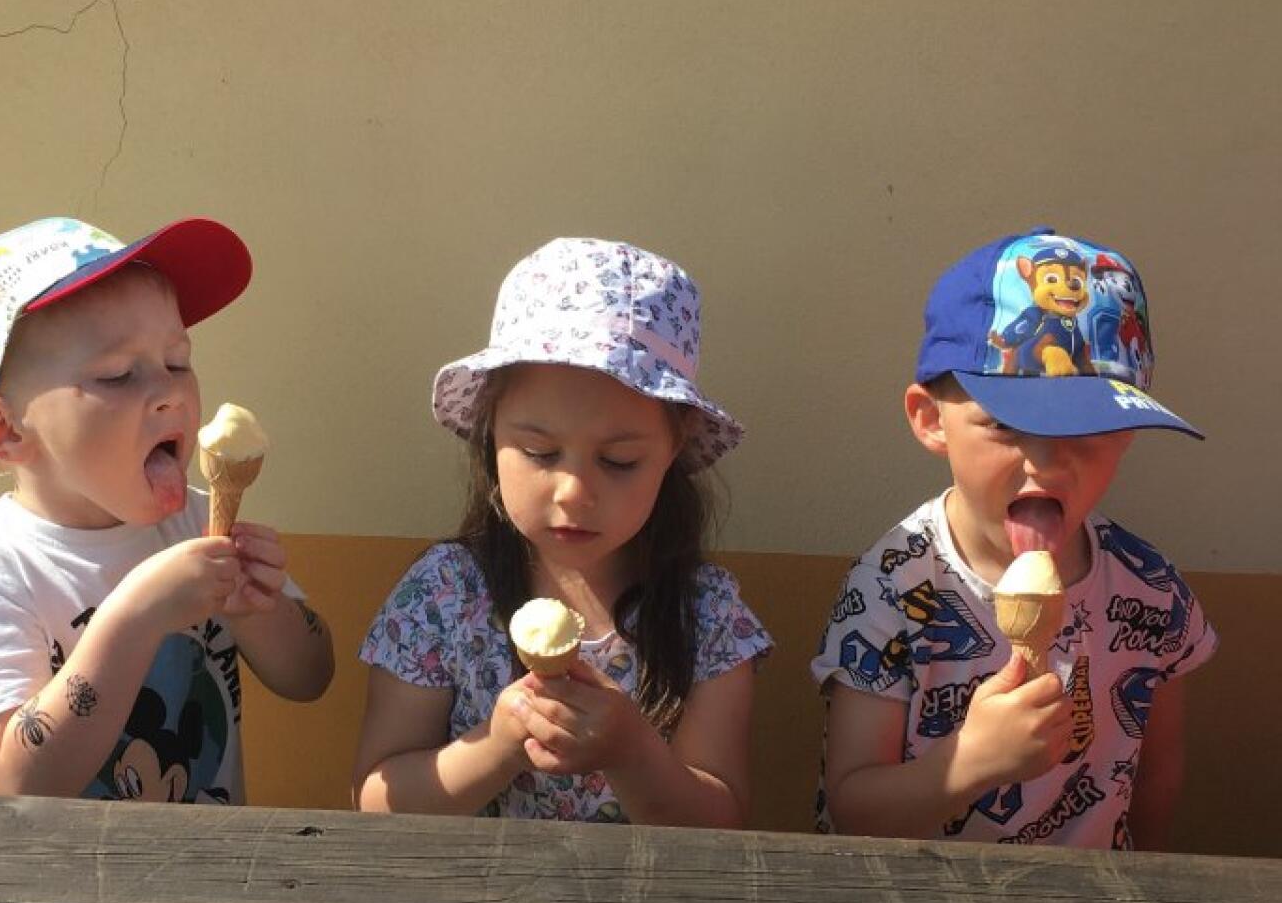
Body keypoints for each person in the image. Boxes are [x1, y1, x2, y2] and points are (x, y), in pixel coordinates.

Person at [811, 228, 1217, 848]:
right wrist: (969, 763)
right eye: (1005, 424)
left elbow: (1158, 774)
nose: (1047, 464)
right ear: (932, 420)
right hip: (914, 899)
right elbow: (853, 812)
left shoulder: (1151, 590)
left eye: (1089, 427)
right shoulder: (893, 586)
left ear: (1127, 432)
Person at [353, 237, 772, 825]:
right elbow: (376, 799)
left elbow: (721, 821)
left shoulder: (706, 616)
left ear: (673, 447)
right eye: (540, 452)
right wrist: (498, 747)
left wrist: (633, 752)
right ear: (491, 431)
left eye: (619, 461)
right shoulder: (442, 596)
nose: (574, 491)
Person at [0, 217, 333, 804]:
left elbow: (311, 676)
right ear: (5, 430)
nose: (171, 392)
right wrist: (134, 616)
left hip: (206, 861)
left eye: (178, 361)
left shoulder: (194, 524)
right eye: (117, 375)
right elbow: (20, 782)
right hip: (42, 867)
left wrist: (258, 610)